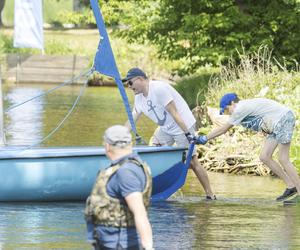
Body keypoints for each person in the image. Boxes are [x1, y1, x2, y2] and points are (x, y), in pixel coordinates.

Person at [122, 67, 215, 200]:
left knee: (192, 162)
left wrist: (188, 134)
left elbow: (174, 112)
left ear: (139, 79)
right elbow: (132, 119)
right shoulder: (139, 98)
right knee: (152, 152)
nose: (129, 86)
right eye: (127, 84)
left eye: (130, 83)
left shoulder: (159, 89)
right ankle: (158, 187)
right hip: (165, 128)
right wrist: (119, 136)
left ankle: (210, 194)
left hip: (182, 126)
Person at [197, 93, 300, 205]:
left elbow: (223, 129)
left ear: (232, 103)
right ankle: (291, 186)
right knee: (264, 156)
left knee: (283, 159)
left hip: (284, 119)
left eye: (227, 110)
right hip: (276, 124)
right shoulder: (243, 108)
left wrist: (205, 138)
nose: (228, 113)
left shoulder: (240, 109)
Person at [84, 125, 154, 250]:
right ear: (130, 144)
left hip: (119, 244)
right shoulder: (131, 167)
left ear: (107, 146)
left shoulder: (126, 172)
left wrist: (148, 247)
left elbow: (139, 212)